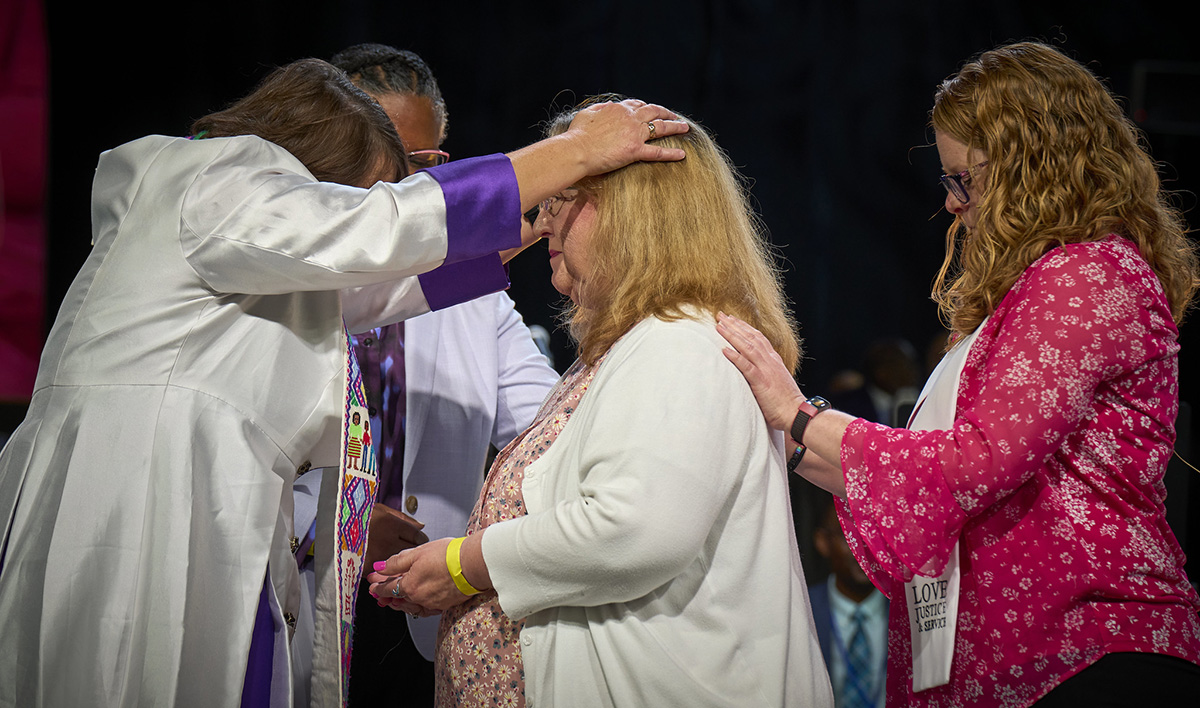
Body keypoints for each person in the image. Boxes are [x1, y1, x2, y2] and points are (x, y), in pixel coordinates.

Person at [0, 58, 687, 707]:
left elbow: (374, 290)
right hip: (144, 491)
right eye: (377, 192)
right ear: (318, 172)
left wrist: (538, 220)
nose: (384, 211)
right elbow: (373, 243)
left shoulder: (249, 243)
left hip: (189, 490)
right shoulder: (211, 176)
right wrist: (572, 154)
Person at [716, 41, 1200, 707]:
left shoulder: (1085, 276)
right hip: (1022, 667)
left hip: (1084, 660)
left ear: (1033, 169)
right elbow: (921, 478)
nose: (951, 205)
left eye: (962, 179)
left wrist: (796, 414)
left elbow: (974, 465)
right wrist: (786, 431)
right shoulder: (1037, 292)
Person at [368, 97, 835, 707]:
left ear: (630, 215)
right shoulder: (626, 350)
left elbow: (633, 529)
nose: (541, 222)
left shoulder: (677, 344)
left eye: (559, 201)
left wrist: (464, 563)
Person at [321, 43, 558, 707]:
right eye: (381, 162)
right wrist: (334, 525)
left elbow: (547, 430)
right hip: (297, 595)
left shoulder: (475, 291)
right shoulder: (285, 280)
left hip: (427, 617)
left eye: (420, 166)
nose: (398, 189)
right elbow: (233, 447)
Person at [808, 495, 888, 708]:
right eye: (848, 536)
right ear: (823, 542)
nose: (863, 550)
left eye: (873, 536)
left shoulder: (908, 614)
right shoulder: (802, 612)